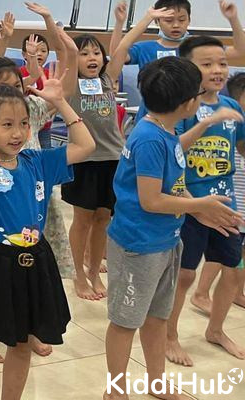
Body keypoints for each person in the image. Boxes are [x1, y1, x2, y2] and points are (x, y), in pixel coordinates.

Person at [0, 72, 96, 400]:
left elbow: (86, 146)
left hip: (34, 262)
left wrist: (60, 102)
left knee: (22, 344)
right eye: (7, 125)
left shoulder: (36, 161)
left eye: (24, 124)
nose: (18, 133)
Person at [104, 56, 243, 400]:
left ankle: (156, 382)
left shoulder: (164, 130)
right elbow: (151, 200)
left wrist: (203, 126)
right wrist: (201, 205)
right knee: (125, 322)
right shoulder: (149, 138)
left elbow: (173, 160)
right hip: (138, 246)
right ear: (186, 103)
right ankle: (115, 391)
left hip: (165, 240)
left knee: (157, 317)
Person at [165, 36, 245, 366]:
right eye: (207, 64)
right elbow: (172, 150)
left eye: (222, 63)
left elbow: (240, 146)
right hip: (189, 206)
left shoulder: (232, 106)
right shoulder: (182, 107)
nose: (217, 70)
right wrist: (207, 121)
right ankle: (169, 335)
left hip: (226, 206)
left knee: (233, 269)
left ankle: (216, 330)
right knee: (184, 276)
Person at [54, 17, 146, 302]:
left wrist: (145, 18)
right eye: (84, 53)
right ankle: (78, 276)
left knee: (104, 217)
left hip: (113, 158)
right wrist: (55, 28)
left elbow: (124, 45)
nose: (91, 57)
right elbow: (65, 53)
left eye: (96, 52)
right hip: (84, 160)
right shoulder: (71, 84)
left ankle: (93, 271)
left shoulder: (107, 80)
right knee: (82, 219)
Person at [110, 0, 245, 119]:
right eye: (169, 20)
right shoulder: (144, 48)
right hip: (152, 113)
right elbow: (116, 55)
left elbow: (239, 51)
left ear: (189, 20)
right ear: (157, 21)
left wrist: (233, 19)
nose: (176, 25)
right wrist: (121, 23)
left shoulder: (198, 47)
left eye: (181, 20)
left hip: (190, 112)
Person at [191, 71, 245, 312]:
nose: (217, 70)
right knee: (195, 268)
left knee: (233, 261)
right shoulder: (224, 128)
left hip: (232, 205)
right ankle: (201, 293)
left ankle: (234, 297)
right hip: (210, 203)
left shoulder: (234, 120)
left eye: (222, 64)